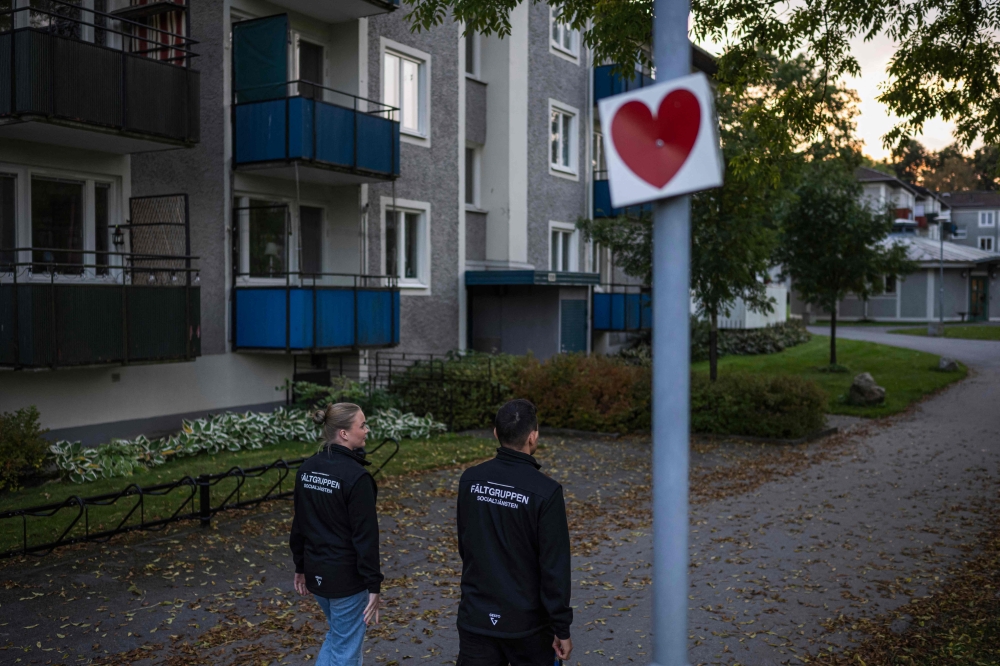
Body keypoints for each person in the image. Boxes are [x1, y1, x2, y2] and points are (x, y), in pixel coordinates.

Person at [456, 399, 573, 666]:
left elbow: (467, 545)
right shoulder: (546, 492)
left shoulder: (470, 479)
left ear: (496, 433)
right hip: (527, 625)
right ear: (533, 437)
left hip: (476, 617)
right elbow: (555, 567)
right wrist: (561, 627)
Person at [290, 402, 383, 666]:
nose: (366, 430)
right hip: (346, 582)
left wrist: (301, 566)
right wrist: (373, 586)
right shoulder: (357, 477)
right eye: (362, 425)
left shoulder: (307, 469)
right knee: (346, 650)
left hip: (317, 575)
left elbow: (300, 525)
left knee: (338, 637)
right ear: (343, 433)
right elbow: (366, 538)